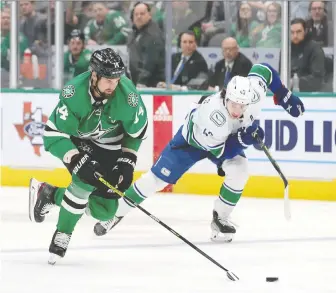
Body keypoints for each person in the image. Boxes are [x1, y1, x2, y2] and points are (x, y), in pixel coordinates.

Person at [94, 63, 305, 240]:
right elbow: (224, 151)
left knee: (240, 170)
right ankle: (115, 213)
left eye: (243, 106)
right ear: (225, 96)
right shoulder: (214, 116)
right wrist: (245, 139)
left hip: (224, 141)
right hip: (192, 141)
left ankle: (220, 219)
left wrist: (284, 94)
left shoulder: (253, 95)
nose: (237, 110)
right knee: (156, 180)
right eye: (233, 104)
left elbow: (263, 70)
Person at [29, 48, 148, 264]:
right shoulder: (73, 94)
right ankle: (63, 233)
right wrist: (75, 159)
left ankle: (49, 193)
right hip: (80, 142)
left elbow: (136, 132)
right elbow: (53, 134)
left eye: (117, 78)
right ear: (94, 75)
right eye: (108, 79)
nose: (114, 84)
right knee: (82, 184)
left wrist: (128, 161)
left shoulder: (129, 98)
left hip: (111, 146)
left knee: (105, 211)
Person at [290, 18, 325, 91]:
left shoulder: (315, 48)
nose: (295, 36)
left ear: (305, 31)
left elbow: (317, 79)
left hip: (310, 96)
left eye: (298, 32)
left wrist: (295, 82)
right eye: (292, 32)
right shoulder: (286, 49)